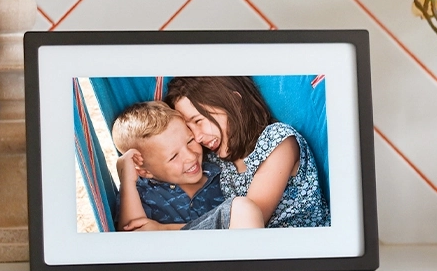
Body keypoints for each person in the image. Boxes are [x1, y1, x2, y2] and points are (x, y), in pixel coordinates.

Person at [165, 76, 330, 229]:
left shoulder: (278, 140)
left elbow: (248, 218)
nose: (198, 136)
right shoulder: (217, 162)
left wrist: (162, 230)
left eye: (198, 121)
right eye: (189, 128)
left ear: (235, 103)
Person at [109, 101, 227, 231]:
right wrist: (127, 182)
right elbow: (132, 237)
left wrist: (163, 229)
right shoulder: (140, 193)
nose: (191, 156)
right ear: (144, 172)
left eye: (190, 141)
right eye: (173, 156)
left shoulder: (220, 171)